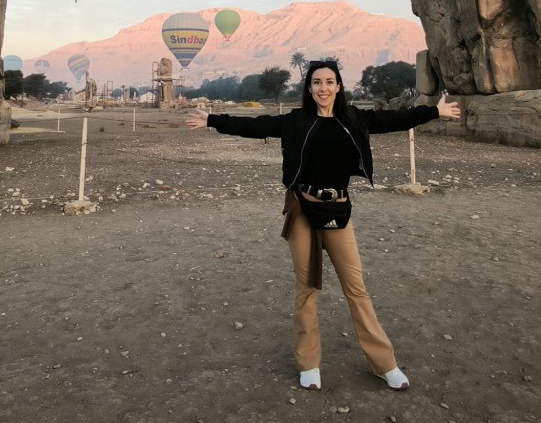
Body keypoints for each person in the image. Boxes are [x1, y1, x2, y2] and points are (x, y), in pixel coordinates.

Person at [185, 59, 461, 391]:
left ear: (339, 87)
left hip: (339, 210)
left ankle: (384, 364)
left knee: (356, 289)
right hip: (303, 209)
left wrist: (434, 111)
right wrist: (213, 120)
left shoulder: (354, 119)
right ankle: (309, 363)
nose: (323, 88)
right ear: (310, 88)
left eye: (330, 82)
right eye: (317, 82)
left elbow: (395, 119)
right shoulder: (297, 121)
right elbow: (257, 126)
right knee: (307, 289)